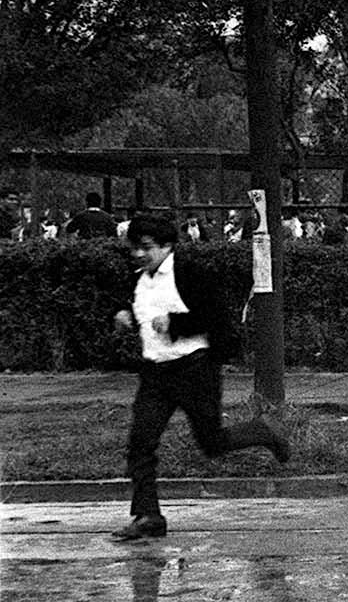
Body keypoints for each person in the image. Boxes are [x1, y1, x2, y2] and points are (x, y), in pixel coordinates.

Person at [107, 214, 290, 541]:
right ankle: (148, 517)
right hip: (155, 373)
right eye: (134, 248)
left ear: (166, 246)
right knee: (140, 444)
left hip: (194, 370)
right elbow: (142, 312)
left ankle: (264, 431)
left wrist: (176, 323)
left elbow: (217, 318)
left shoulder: (190, 274)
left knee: (212, 442)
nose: (138, 254)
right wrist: (125, 316)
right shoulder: (137, 277)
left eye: (146, 247)